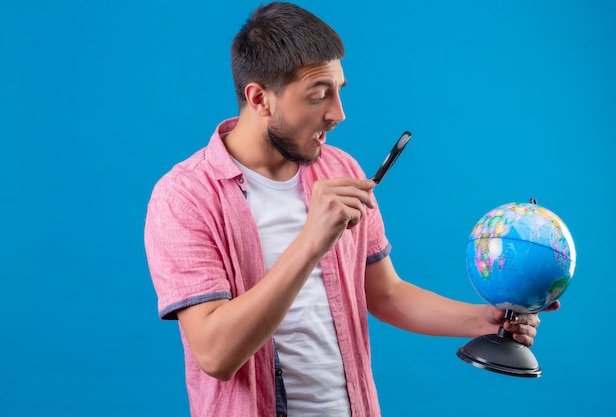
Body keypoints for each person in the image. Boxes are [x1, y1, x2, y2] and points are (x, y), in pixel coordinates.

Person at [144, 2, 559, 416]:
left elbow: (385, 294)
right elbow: (215, 355)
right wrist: (310, 242)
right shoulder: (185, 197)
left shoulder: (340, 168)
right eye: (319, 95)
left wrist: (485, 319)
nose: (338, 113)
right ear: (259, 98)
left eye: (340, 90)